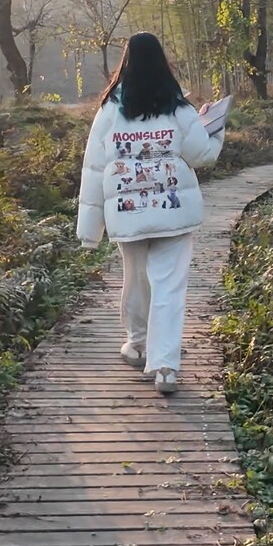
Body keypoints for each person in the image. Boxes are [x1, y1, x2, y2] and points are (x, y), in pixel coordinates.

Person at [76, 32, 224, 395]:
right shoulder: (177, 106)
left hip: (128, 213)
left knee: (137, 281)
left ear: (126, 62)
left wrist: (89, 229)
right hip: (172, 212)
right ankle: (164, 367)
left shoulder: (111, 109)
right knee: (169, 287)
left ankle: (137, 343)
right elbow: (201, 154)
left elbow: (94, 168)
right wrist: (214, 128)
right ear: (162, 61)